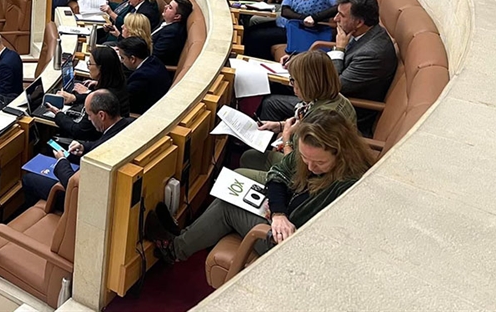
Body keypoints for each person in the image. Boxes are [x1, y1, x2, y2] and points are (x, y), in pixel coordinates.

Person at [144, 109, 373, 264]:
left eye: (320, 162)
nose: (310, 166)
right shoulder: (310, 150)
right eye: (304, 158)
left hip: (288, 243)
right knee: (233, 184)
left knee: (228, 206)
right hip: (280, 216)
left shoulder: (348, 185)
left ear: (341, 153)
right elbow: (278, 173)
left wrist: (280, 216)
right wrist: (279, 212)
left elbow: (314, 234)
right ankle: (185, 234)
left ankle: (175, 249)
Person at [258, 0, 398, 135]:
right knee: (274, 83)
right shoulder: (358, 32)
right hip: (327, 96)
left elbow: (336, 85)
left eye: (342, 16)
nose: (336, 18)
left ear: (359, 22)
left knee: (271, 103)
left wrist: (339, 49)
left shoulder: (373, 53)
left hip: (339, 112)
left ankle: (269, 149)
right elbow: (332, 62)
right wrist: (301, 60)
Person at [239, 50, 358, 184]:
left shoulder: (322, 120)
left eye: (293, 80)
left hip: (311, 178)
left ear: (308, 84)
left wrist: (286, 139)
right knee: (249, 157)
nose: (291, 85)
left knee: (238, 174)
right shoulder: (335, 99)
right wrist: (280, 125)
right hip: (310, 164)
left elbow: (298, 166)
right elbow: (303, 126)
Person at [22, 90, 133, 208]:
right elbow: (99, 144)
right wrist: (84, 147)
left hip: (84, 200)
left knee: (29, 179)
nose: (89, 120)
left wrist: (61, 161)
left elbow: (73, 184)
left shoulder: (102, 154)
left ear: (101, 115)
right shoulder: (128, 124)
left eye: (89, 115)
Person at [49, 46, 130, 140]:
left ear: (101, 68)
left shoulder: (105, 99)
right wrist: (74, 98)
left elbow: (79, 131)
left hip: (93, 141)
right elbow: (98, 96)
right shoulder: (119, 82)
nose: (88, 67)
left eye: (90, 64)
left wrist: (58, 114)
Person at [117, 36, 172, 116]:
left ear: (132, 59)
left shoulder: (141, 77)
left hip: (142, 115)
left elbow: (121, 101)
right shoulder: (154, 60)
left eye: (122, 58)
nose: (122, 62)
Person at [151, 0, 192, 66]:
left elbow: (155, 55)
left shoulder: (172, 33)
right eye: (168, 4)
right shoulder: (166, 21)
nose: (165, 7)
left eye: (170, 7)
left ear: (177, 16)